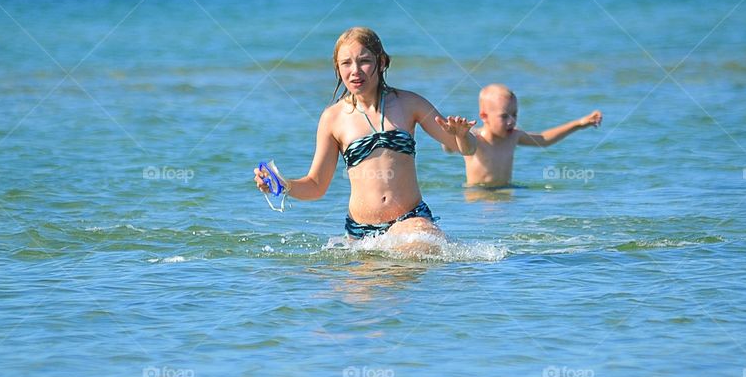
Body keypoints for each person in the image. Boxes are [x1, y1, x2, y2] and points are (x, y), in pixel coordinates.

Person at [253, 26, 477, 239]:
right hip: (360, 233)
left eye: (364, 61)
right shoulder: (333, 118)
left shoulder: (409, 104)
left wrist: (460, 135)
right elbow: (316, 185)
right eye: (346, 63)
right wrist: (284, 184)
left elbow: (468, 149)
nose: (355, 71)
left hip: (411, 220)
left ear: (381, 62)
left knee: (424, 245)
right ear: (338, 68)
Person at [447, 83, 602, 187]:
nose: (511, 121)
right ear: (484, 116)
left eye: (514, 115)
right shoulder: (475, 137)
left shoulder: (513, 137)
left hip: (506, 191)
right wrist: (453, 138)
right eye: (504, 116)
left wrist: (578, 124)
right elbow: (463, 147)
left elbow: (544, 139)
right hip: (477, 194)